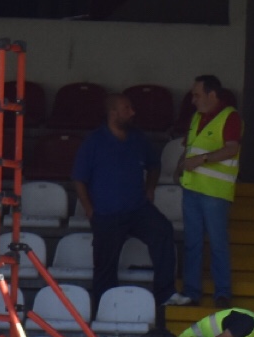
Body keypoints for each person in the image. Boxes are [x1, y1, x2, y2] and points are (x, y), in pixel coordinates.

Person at [71, 93, 177, 306]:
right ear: (113, 112)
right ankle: (105, 307)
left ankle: (165, 294)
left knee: (163, 230)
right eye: (127, 109)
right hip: (107, 213)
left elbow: (154, 165)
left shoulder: (137, 138)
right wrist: (90, 210)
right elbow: (78, 179)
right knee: (104, 266)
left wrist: (150, 190)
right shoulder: (94, 141)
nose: (133, 112)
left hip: (138, 209)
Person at [174, 75, 242, 308]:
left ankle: (222, 292)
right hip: (191, 188)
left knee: (217, 243)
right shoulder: (196, 117)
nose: (192, 100)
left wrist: (201, 160)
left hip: (215, 192)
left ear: (212, 95)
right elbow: (190, 146)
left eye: (197, 95)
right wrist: (180, 167)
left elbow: (231, 149)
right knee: (192, 242)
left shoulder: (230, 116)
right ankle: (192, 292)